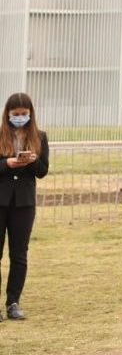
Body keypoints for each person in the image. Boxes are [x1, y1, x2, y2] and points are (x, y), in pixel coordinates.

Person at [0, 93, 48, 321]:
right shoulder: (0, 135)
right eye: (15, 114)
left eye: (24, 114)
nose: (20, 118)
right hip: (1, 200)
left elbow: (42, 171)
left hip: (24, 204)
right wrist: (6, 164)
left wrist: (33, 160)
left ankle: (13, 302)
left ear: (31, 114)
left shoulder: (40, 136)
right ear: (7, 114)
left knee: (19, 254)